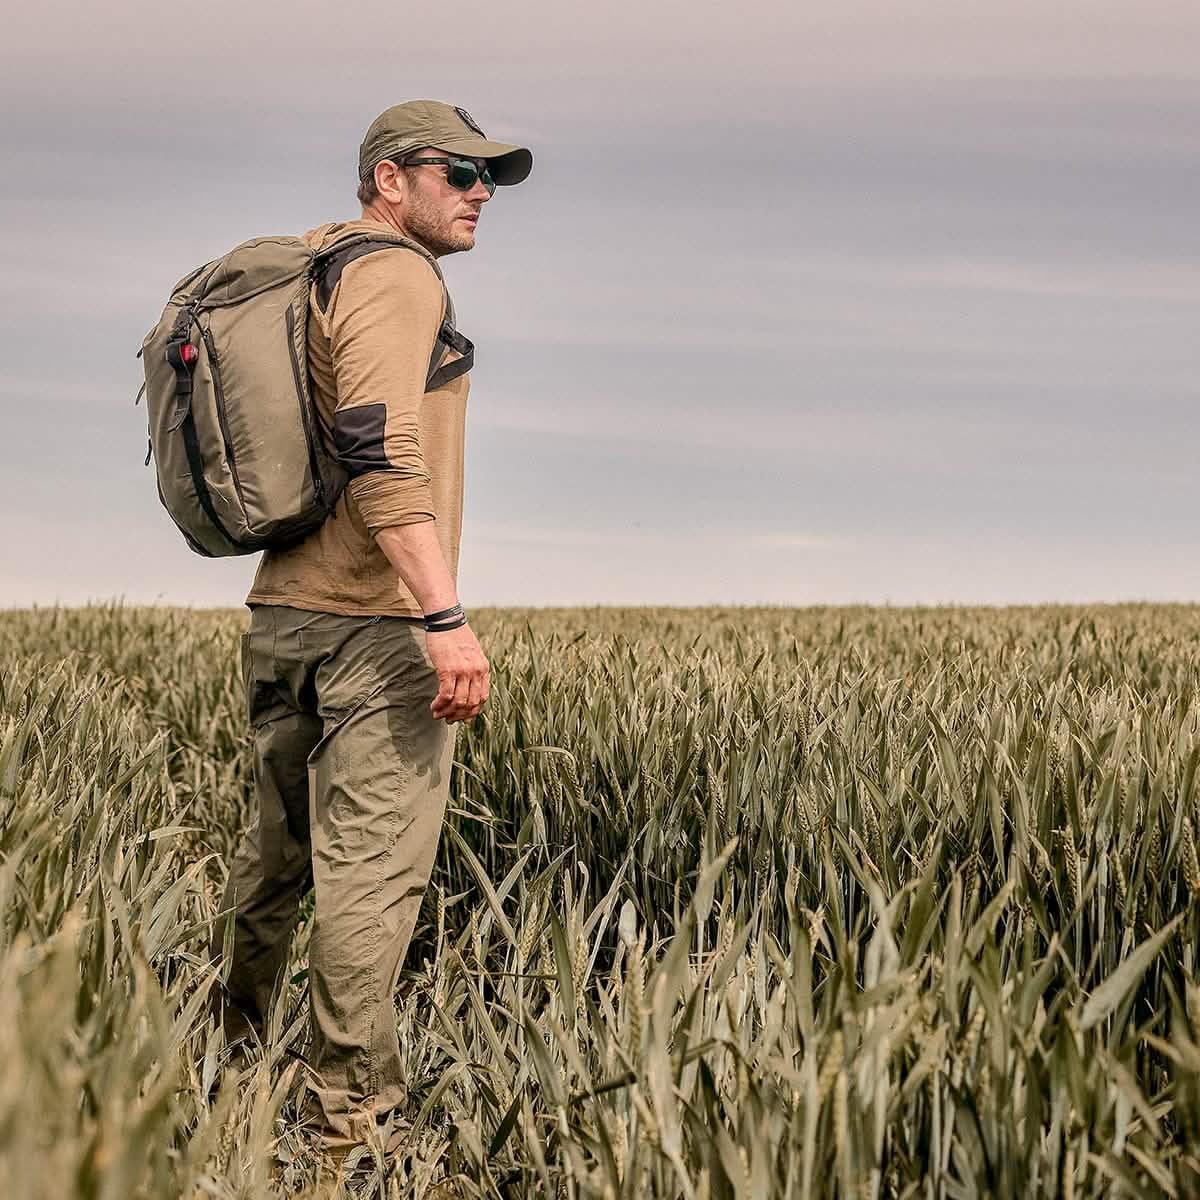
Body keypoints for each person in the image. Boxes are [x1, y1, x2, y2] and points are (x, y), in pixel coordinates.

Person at [207, 99, 532, 1174]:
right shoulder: (395, 273)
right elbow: (380, 448)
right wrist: (443, 617)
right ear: (390, 180)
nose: (480, 193)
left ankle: (230, 1066)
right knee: (368, 885)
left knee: (273, 862)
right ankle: (343, 1133)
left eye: (490, 179)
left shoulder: (311, 266)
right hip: (371, 623)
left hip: (281, 613)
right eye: (459, 174)